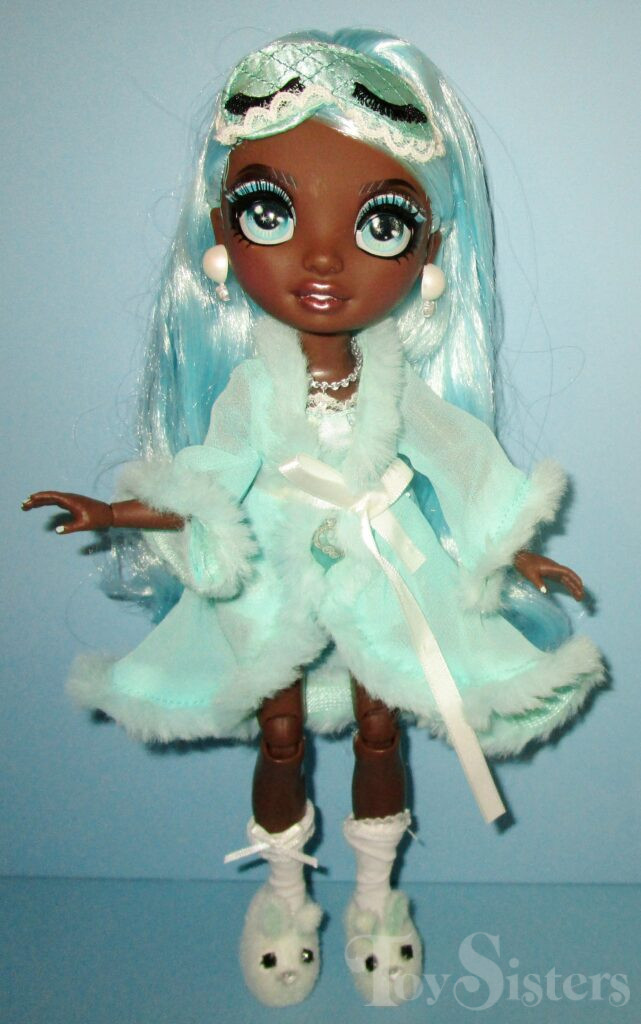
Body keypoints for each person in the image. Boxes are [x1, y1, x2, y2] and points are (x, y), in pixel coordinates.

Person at [23, 30, 604, 1007]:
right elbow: (211, 475)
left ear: (429, 250)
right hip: (276, 584)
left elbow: (462, 458)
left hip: (383, 578)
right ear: (219, 231)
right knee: (279, 732)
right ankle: (283, 896)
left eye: (380, 222)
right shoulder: (251, 389)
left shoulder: (397, 385)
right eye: (271, 211)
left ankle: (376, 898)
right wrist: (115, 509)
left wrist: (515, 551)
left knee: (381, 729)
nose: (323, 255)